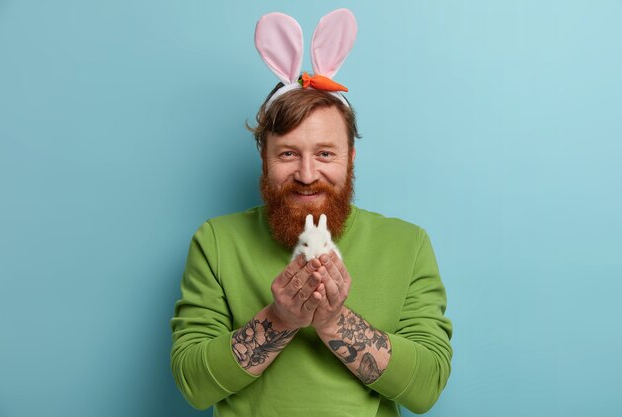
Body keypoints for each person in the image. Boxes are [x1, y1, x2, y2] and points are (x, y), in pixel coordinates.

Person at [170, 9, 452, 417]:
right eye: (288, 153)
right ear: (264, 158)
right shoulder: (216, 241)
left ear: (350, 158)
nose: (306, 174)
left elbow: (426, 389)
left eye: (324, 154)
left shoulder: (407, 245)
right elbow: (193, 385)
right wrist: (280, 318)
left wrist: (334, 320)